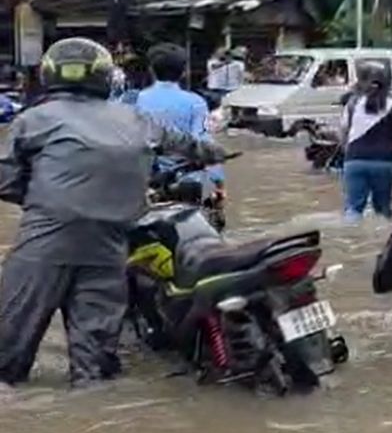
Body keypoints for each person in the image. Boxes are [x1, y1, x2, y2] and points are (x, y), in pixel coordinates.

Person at [0, 38, 224, 387]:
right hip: (109, 244)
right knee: (96, 367)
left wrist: (45, 199)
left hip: (45, 240)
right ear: (105, 76)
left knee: (8, 353)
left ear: (49, 75)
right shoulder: (135, 117)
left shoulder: (32, 119)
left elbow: (6, 180)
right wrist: (217, 153)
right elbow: (192, 146)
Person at [136, 44, 223, 189]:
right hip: (185, 180)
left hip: (144, 178)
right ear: (184, 72)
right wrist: (218, 181)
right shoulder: (196, 102)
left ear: (151, 70)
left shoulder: (137, 100)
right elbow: (203, 142)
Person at [341, 61, 392, 223]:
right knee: (383, 209)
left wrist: (348, 152)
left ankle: (350, 239)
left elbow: (344, 132)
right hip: (384, 161)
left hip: (354, 160)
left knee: (353, 208)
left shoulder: (352, 104)